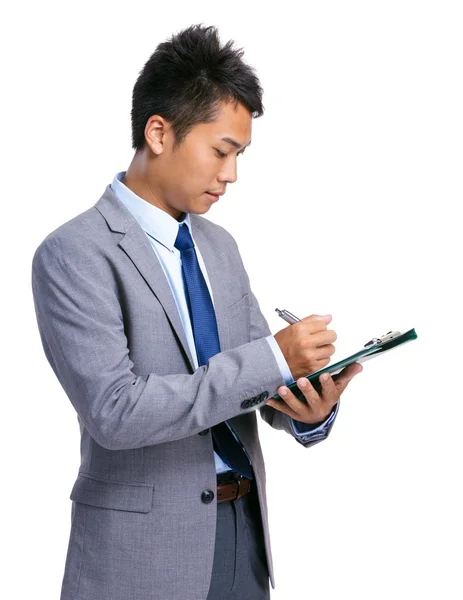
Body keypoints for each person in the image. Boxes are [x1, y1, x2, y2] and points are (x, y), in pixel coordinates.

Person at [31, 24, 362, 600]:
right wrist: (270, 359)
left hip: (243, 538)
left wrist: (308, 405)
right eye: (221, 151)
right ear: (158, 132)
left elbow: (255, 385)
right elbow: (116, 411)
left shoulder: (220, 247)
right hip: (140, 558)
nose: (231, 175)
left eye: (240, 155)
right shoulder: (73, 254)